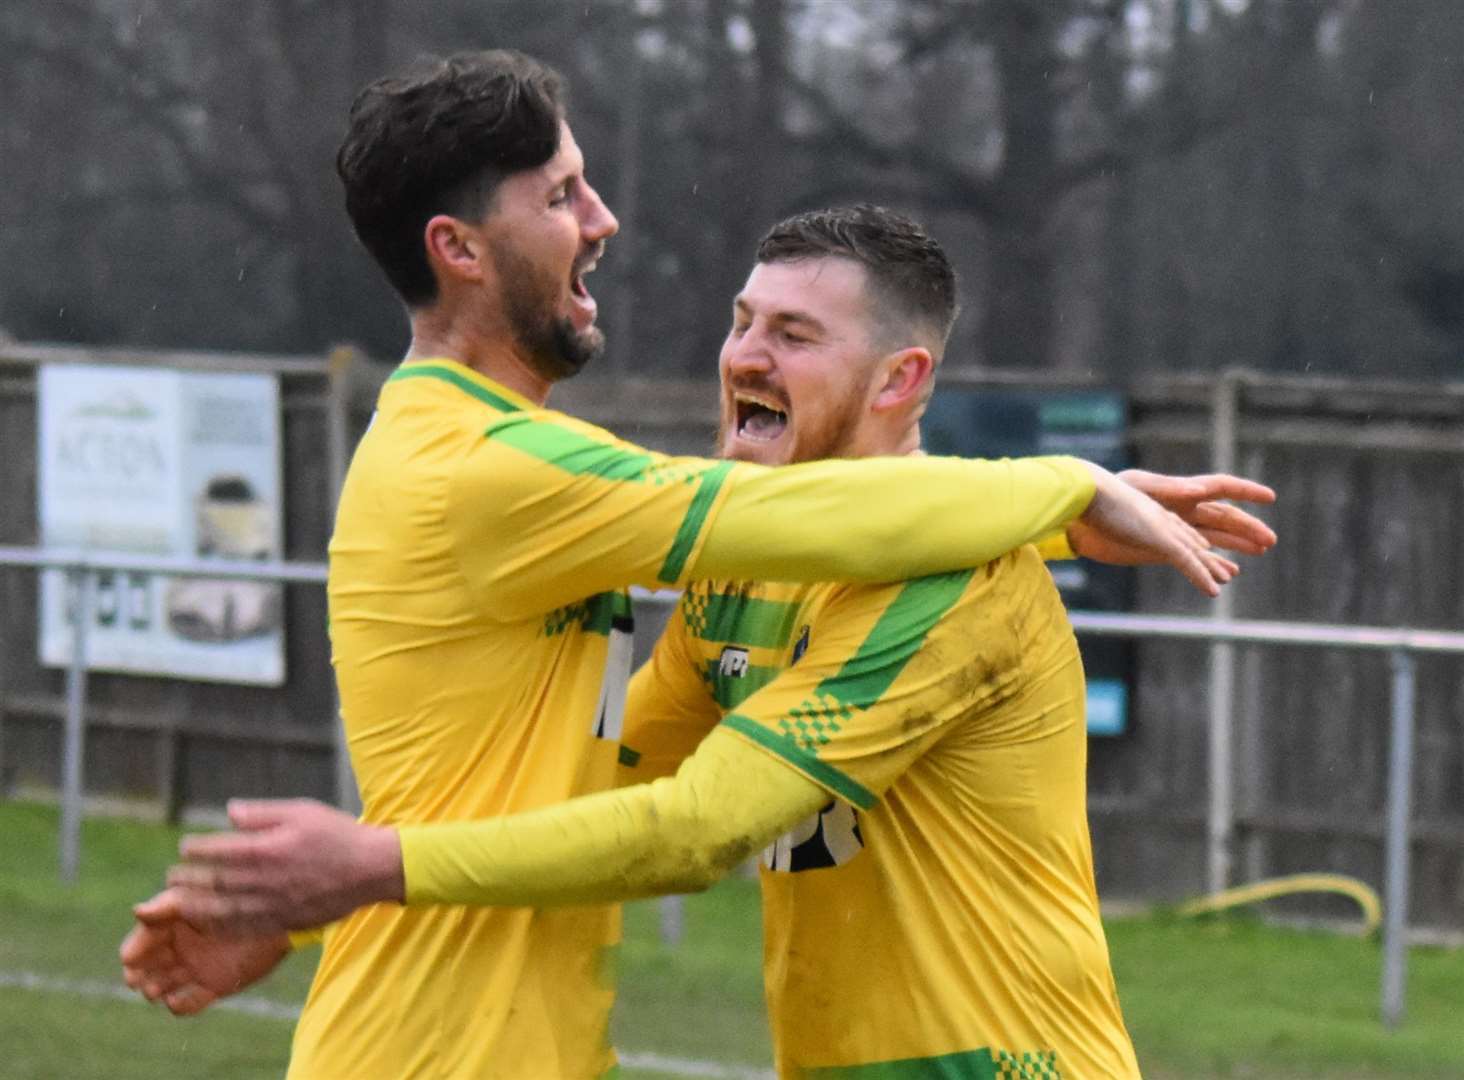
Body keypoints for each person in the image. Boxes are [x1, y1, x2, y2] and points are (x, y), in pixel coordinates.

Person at [129, 202, 1275, 1078]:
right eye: (740, 323)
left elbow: (693, 831)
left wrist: (374, 865)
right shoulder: (742, 557)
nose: (744, 358)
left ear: (903, 378)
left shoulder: (953, 574)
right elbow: (593, 778)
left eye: (792, 333)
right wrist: (316, 899)